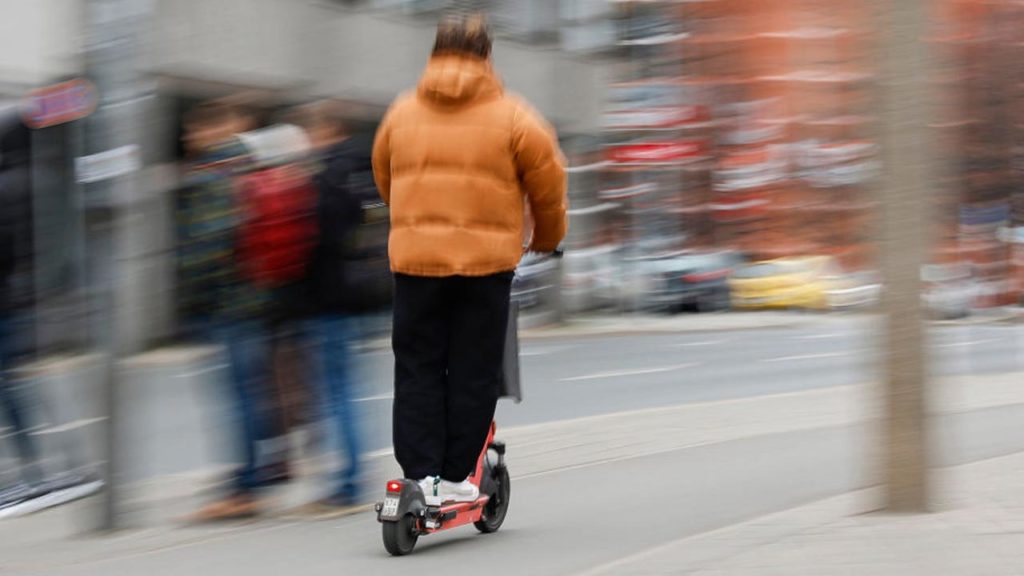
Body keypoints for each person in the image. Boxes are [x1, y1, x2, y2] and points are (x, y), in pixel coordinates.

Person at [372, 13, 567, 505]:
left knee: (416, 366)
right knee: (472, 368)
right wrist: (546, 238)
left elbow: (384, 176)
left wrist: (414, 219)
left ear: (435, 52)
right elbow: (549, 184)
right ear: (487, 55)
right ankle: (458, 474)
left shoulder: (401, 111)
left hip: (416, 265)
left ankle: (420, 476)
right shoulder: (515, 115)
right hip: (485, 269)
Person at [178, 102, 283, 520]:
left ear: (214, 128)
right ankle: (260, 471)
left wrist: (190, 284)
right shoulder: (252, 164)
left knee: (239, 397)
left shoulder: (214, 172)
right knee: (254, 393)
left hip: (229, 303)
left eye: (193, 129)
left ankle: (244, 488)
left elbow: (212, 240)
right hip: (257, 297)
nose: (189, 138)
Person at [290, 101, 390, 515]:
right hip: (366, 293)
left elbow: (319, 240)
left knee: (337, 393)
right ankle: (348, 477)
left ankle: (346, 484)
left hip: (329, 298)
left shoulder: (326, 175)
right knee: (346, 388)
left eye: (308, 131)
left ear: (326, 129)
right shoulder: (367, 169)